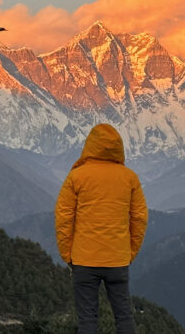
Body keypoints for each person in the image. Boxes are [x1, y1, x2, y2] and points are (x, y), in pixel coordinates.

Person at [55, 124, 148, 334]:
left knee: (87, 320)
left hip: (83, 260)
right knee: (124, 316)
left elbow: (63, 219)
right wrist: (129, 253)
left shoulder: (76, 177)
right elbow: (140, 218)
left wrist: (67, 255)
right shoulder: (129, 178)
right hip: (118, 260)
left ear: (90, 146)